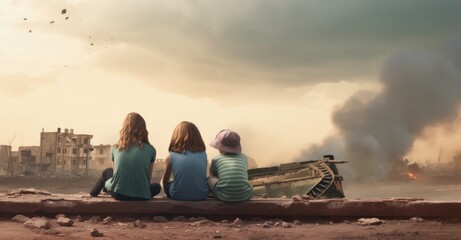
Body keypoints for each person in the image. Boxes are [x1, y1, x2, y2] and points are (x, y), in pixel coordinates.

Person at [89, 112, 161, 200]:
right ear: (143, 129)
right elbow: (147, 178)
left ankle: (94, 192)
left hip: (118, 194)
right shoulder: (151, 150)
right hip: (142, 196)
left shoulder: (115, 148)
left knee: (107, 172)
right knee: (157, 187)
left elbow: (116, 173)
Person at [161, 121, 209, 200]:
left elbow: (164, 181)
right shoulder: (204, 155)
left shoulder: (171, 156)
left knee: (167, 183)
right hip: (201, 195)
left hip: (177, 195)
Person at [208, 129, 253, 202]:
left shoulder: (216, 159)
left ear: (219, 148)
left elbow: (214, 175)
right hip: (245, 195)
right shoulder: (244, 157)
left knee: (210, 178)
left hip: (223, 196)